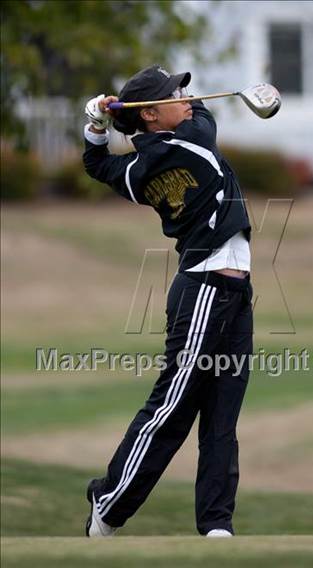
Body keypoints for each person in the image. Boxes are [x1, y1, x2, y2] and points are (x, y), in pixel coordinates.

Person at [83, 64, 253, 538]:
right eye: (174, 93)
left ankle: (216, 525)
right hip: (203, 288)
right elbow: (201, 117)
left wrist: (96, 125)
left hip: (232, 292)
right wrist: (113, 117)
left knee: (223, 411)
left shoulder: (139, 168)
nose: (187, 96)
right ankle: (108, 500)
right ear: (153, 115)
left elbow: (97, 165)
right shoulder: (191, 139)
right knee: (173, 407)